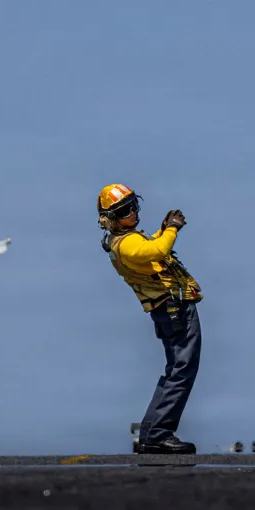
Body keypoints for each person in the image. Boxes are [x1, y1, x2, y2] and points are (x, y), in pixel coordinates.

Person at [97, 183, 201, 454]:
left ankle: (152, 433)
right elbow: (155, 252)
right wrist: (172, 229)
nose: (132, 213)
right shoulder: (127, 243)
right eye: (124, 210)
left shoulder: (125, 240)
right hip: (173, 309)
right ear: (110, 219)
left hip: (168, 309)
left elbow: (149, 247)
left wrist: (162, 229)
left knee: (175, 369)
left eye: (133, 206)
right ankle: (158, 434)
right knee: (182, 369)